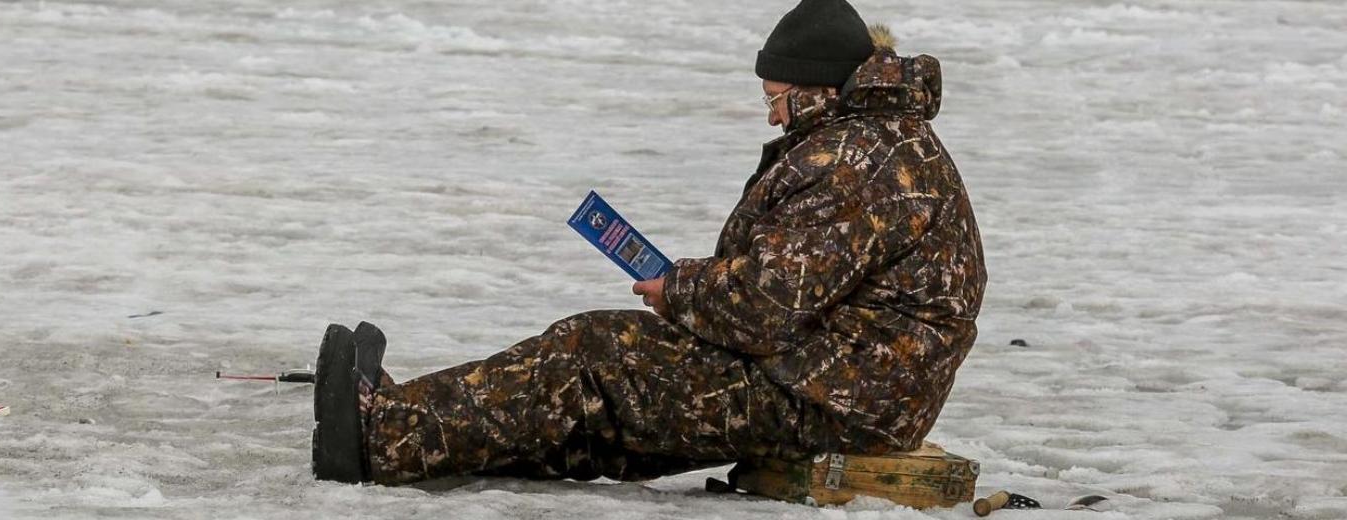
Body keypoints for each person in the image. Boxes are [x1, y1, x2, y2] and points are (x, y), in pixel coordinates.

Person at [311, 0, 987, 487]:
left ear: (819, 88)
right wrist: (694, 295)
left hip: (833, 401)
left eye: (777, 97)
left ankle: (383, 437)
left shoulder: (855, 162)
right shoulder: (880, 142)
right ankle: (411, 420)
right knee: (606, 410)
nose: (773, 115)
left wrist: (681, 288)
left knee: (592, 354)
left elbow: (766, 306)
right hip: (850, 386)